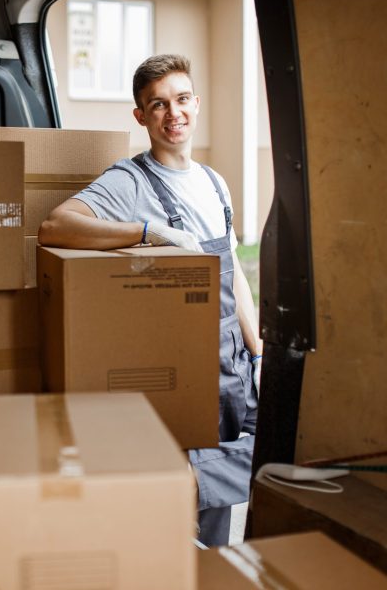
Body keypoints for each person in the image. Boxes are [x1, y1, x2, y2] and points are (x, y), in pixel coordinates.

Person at [38, 54, 262, 546]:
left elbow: (234, 276)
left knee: (248, 474)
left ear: (196, 103)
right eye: (157, 105)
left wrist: (257, 346)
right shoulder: (130, 181)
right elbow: (55, 225)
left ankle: (213, 555)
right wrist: (146, 231)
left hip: (234, 361)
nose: (172, 114)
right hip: (183, 359)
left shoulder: (213, 181)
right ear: (141, 117)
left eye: (181, 100)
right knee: (187, 498)